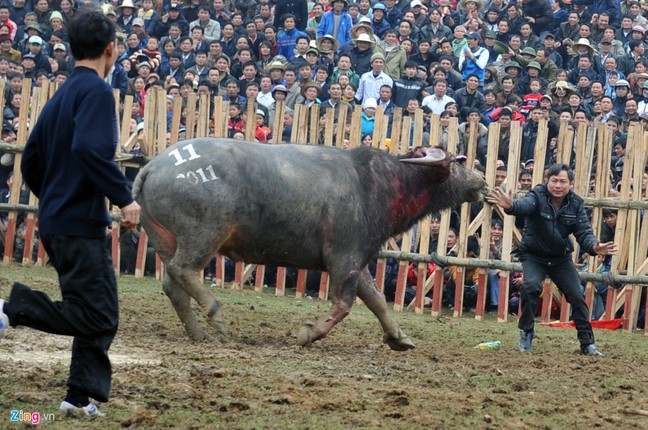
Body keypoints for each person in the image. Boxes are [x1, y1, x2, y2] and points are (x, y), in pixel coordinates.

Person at [0, 10, 141, 415]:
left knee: (94, 309)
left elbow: (32, 161)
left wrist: (54, 199)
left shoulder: (62, 94)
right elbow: (89, 151)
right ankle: (11, 311)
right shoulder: (96, 92)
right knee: (100, 316)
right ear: (110, 50)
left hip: (60, 221)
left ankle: (79, 399)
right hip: (80, 225)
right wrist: (124, 197)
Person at [487, 164, 616, 356]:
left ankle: (587, 344)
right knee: (530, 287)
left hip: (561, 258)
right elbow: (525, 205)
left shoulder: (576, 204)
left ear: (570, 184)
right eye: (554, 180)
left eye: (562, 181)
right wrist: (512, 206)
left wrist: (594, 248)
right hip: (533, 255)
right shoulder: (536, 195)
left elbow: (584, 232)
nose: (557, 185)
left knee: (577, 296)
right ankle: (526, 332)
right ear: (547, 181)